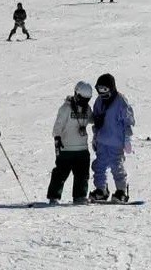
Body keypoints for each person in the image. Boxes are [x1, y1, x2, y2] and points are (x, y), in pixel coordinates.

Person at [90, 73, 135, 202]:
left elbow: (128, 121)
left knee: (117, 166)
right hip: (102, 141)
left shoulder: (120, 101)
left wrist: (127, 138)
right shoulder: (99, 102)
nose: (101, 92)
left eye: (104, 89)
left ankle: (121, 191)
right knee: (99, 166)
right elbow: (96, 121)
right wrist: (95, 137)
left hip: (116, 141)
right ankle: (101, 189)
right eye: (99, 89)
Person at [49, 82, 94, 204]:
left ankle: (80, 196)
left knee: (82, 174)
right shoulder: (66, 108)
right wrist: (57, 138)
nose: (83, 102)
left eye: (86, 100)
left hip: (82, 148)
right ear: (76, 94)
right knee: (60, 173)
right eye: (81, 99)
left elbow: (92, 119)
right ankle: (54, 196)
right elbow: (58, 125)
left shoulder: (86, 108)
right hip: (66, 148)